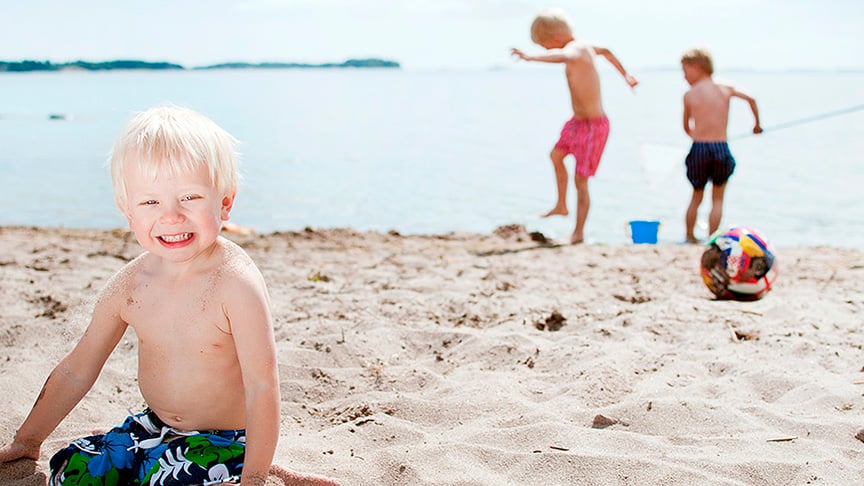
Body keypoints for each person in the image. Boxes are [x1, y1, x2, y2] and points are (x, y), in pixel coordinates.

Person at [0, 105, 338, 486]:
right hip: (152, 428)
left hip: (225, 441)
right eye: (150, 202)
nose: (171, 216)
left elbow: (263, 386)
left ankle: (268, 473)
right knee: (72, 471)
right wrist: (27, 440)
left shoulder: (234, 283)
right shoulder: (131, 283)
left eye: (189, 197)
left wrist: (254, 478)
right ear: (128, 212)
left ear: (225, 202)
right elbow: (78, 368)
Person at [511, 8, 638, 244]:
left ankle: (578, 232)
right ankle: (561, 205)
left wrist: (530, 58)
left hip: (594, 126)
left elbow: (564, 56)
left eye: (545, 46)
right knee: (556, 155)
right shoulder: (587, 47)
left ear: (554, 39)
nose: (547, 51)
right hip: (577, 122)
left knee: (581, 180)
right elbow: (608, 52)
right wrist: (626, 75)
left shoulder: (574, 49)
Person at [681, 47, 762, 243]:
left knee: (696, 196)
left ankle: (690, 237)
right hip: (720, 147)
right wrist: (756, 124)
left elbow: (686, 127)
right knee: (718, 198)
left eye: (685, 70)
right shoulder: (725, 88)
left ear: (698, 67)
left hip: (699, 148)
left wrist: (697, 135)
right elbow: (751, 98)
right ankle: (712, 238)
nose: (684, 76)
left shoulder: (690, 95)